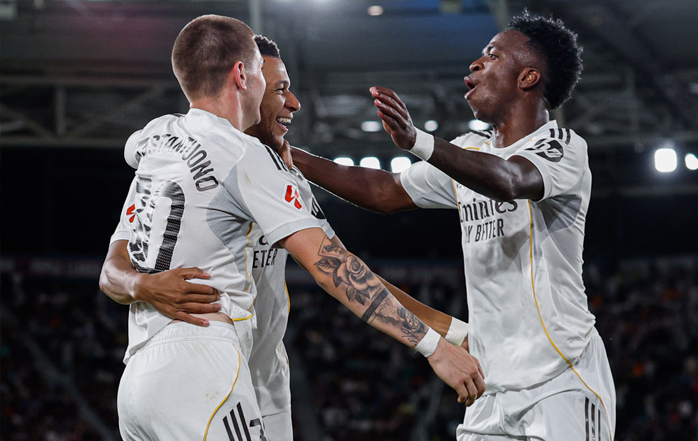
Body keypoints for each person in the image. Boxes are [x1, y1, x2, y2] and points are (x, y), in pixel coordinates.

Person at [99, 16, 485, 441]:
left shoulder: (159, 140)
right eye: (278, 87)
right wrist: (433, 347)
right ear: (243, 76)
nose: (293, 102)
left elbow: (348, 269)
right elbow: (335, 268)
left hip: (158, 375)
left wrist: (453, 333)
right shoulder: (245, 157)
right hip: (203, 361)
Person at [289, 11, 616, 441]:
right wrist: (288, 154)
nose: (475, 64)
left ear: (528, 77)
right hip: (489, 385)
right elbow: (383, 192)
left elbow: (510, 180)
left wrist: (418, 141)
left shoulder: (562, 147)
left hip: (561, 379)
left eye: (492, 55)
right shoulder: (470, 151)